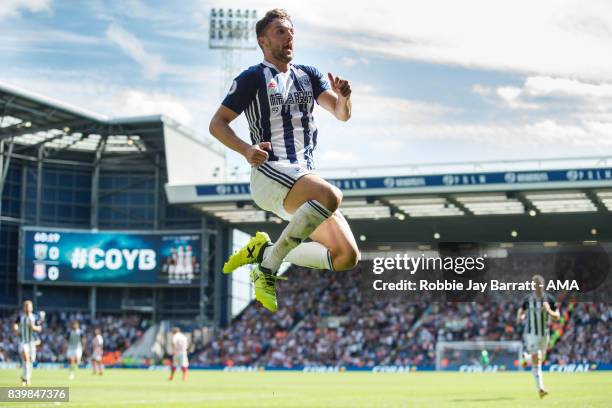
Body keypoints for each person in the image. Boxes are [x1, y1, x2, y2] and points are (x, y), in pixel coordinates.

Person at [209, 8, 360, 312]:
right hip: (270, 173)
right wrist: (245, 150)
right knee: (331, 195)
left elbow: (341, 114)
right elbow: (217, 124)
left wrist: (344, 98)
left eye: (291, 31)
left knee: (346, 257)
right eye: (281, 31)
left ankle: (264, 251)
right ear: (263, 41)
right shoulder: (253, 78)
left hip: (302, 180)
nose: (289, 35)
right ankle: (269, 266)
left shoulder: (309, 75)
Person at [517, 275, 560, 399]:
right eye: (534, 285)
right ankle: (540, 388)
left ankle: (526, 358)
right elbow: (521, 311)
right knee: (537, 359)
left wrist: (549, 311)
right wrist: (520, 317)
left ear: (543, 285)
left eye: (538, 285)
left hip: (544, 334)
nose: (536, 287)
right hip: (531, 333)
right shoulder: (528, 299)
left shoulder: (550, 300)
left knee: (540, 358)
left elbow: (557, 317)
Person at [12, 300, 42, 386]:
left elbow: (39, 328)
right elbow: (15, 324)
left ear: (32, 308)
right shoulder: (20, 317)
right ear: (24, 308)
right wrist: (16, 330)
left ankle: (25, 377)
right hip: (23, 341)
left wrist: (33, 327)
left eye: (29, 306)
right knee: (26, 359)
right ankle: (26, 378)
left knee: (31, 360)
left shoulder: (35, 317)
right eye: (26, 306)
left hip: (32, 342)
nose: (28, 308)